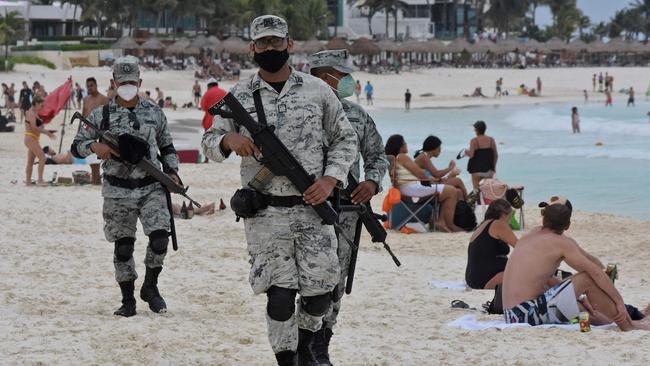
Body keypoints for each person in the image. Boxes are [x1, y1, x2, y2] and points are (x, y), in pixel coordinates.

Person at [201, 15, 357, 366]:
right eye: (263, 43)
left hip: (311, 209)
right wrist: (229, 139)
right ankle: (286, 358)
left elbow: (344, 139)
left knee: (320, 295)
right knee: (280, 297)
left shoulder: (318, 92)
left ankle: (303, 345)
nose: (270, 48)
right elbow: (208, 143)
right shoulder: (239, 96)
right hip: (265, 214)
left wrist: (330, 179)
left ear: (290, 44)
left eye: (276, 41)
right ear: (252, 48)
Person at [71, 56, 181, 318]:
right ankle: (128, 299)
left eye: (132, 81)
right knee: (123, 247)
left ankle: (150, 287)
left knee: (160, 239)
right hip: (117, 190)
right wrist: (94, 147)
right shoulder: (101, 115)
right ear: (113, 83)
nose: (128, 85)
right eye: (123, 81)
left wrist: (173, 171)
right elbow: (77, 145)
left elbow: (166, 146)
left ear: (140, 81)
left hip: (151, 186)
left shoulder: (154, 112)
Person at [308, 49, 388, 365]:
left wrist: (372, 182)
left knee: (336, 278)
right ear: (323, 75)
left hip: (345, 209)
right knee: (305, 278)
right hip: (303, 209)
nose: (347, 81)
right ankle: (304, 342)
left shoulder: (357, 115)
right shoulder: (297, 111)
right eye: (341, 75)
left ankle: (321, 345)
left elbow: (377, 155)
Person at [502, 196, 650, 331]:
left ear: (543, 220)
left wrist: (577, 297)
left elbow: (541, 280)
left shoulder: (532, 234)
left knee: (584, 311)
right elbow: (597, 272)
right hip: (526, 313)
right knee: (587, 277)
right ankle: (629, 324)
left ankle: (627, 321)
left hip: (512, 314)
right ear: (567, 225)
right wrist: (619, 302)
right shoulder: (561, 243)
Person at [385, 134, 462, 233]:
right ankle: (445, 223)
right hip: (411, 189)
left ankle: (438, 221)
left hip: (406, 189)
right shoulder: (403, 157)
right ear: (400, 146)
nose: (406, 144)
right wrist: (430, 178)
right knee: (452, 191)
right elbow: (419, 173)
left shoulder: (394, 158)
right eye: (404, 143)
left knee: (446, 189)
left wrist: (430, 179)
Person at [465, 199, 517, 289]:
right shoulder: (498, 224)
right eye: (510, 215)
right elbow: (519, 246)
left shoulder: (483, 225)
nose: (510, 219)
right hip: (488, 278)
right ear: (505, 213)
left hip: (473, 278)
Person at [413, 135, 467, 200]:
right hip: (426, 188)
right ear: (433, 148)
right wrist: (450, 168)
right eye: (439, 148)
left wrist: (450, 175)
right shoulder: (424, 158)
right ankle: (469, 202)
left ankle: (464, 208)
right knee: (458, 181)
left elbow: (432, 176)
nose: (440, 150)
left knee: (459, 192)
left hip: (429, 185)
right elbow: (436, 174)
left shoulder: (424, 157)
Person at [24, 96, 55, 186]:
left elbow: (38, 127)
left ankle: (28, 181)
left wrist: (48, 131)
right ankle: (40, 180)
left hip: (33, 138)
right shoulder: (31, 113)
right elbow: (33, 128)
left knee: (30, 160)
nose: (42, 107)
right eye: (41, 105)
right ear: (36, 103)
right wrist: (46, 133)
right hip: (30, 137)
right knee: (42, 157)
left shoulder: (34, 113)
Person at [465, 121, 497, 193]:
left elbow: (471, 155)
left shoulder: (474, 141)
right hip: (488, 170)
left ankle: (478, 203)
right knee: (488, 190)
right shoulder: (491, 140)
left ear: (476, 130)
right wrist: (493, 167)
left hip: (476, 171)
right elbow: (495, 155)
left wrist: (466, 152)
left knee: (476, 190)